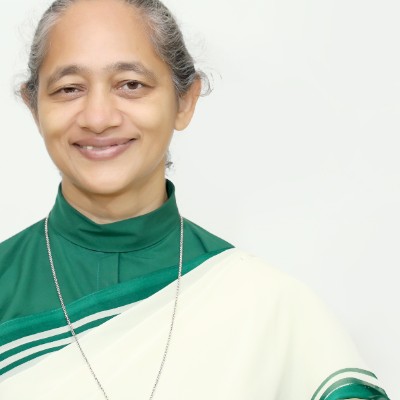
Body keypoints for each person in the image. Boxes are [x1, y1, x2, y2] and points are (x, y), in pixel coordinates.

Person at [0, 0, 391, 399]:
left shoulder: (270, 308)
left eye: (131, 85)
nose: (98, 118)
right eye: (69, 89)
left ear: (185, 101)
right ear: (34, 106)